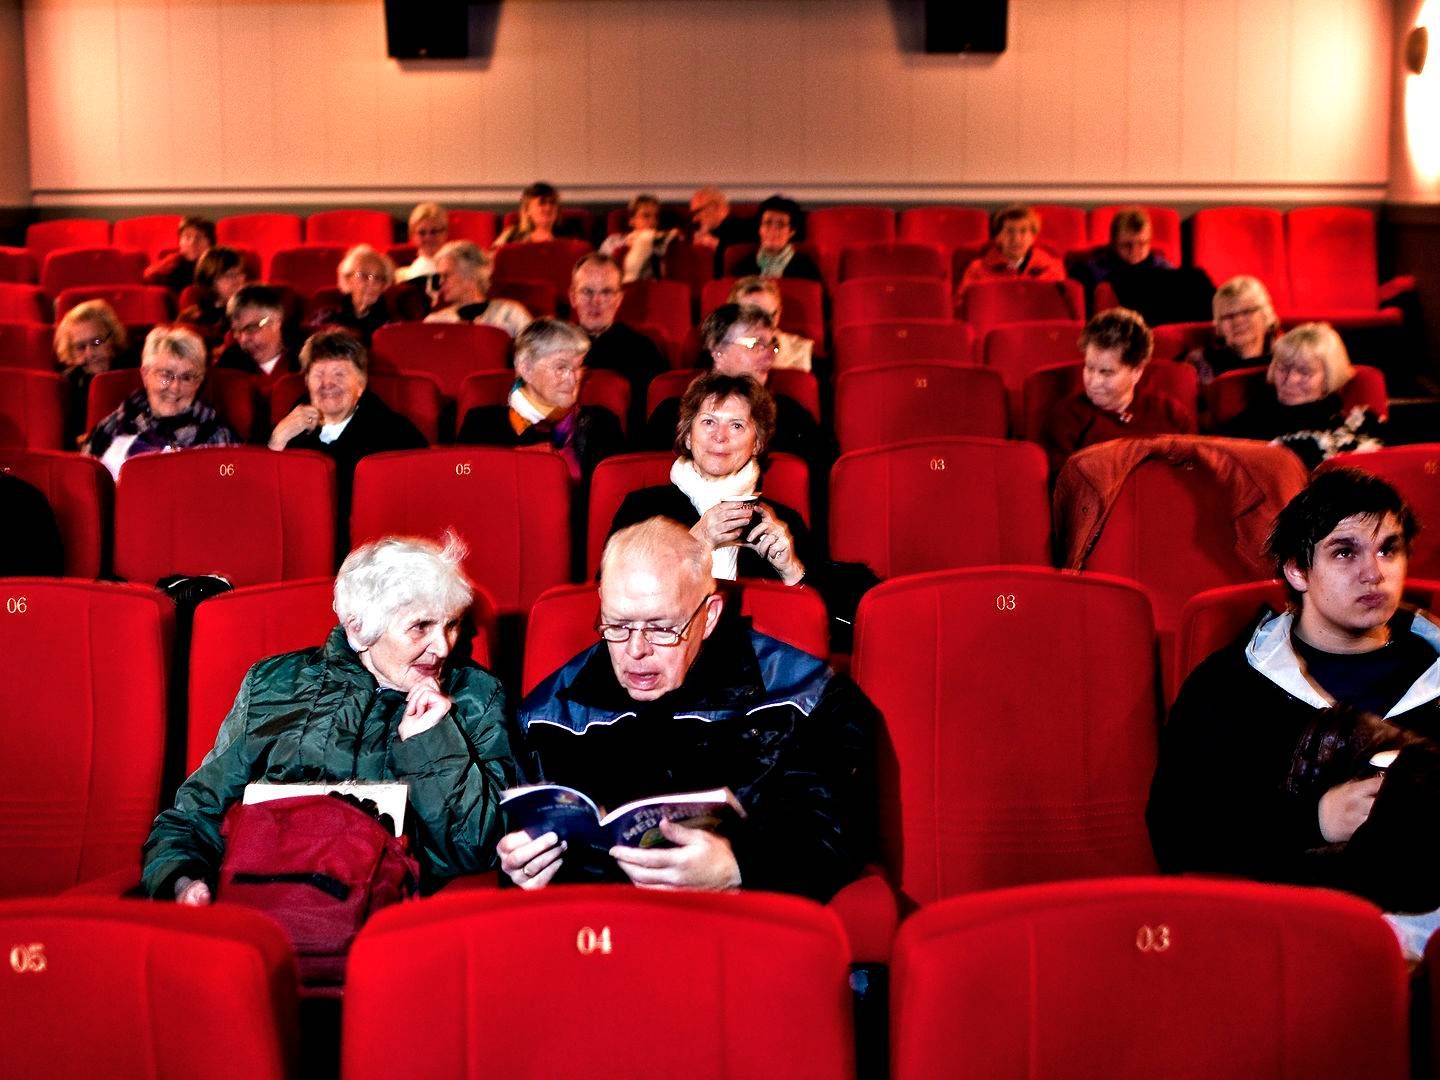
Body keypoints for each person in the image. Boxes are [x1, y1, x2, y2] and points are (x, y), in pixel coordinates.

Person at [496, 517, 876, 900]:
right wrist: (521, 868)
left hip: (739, 927)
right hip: (603, 929)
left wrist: (741, 865)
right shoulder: (546, 714)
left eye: (661, 628)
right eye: (617, 624)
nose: (636, 650)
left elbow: (841, 831)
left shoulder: (804, 695)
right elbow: (524, 839)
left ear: (708, 616)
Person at [142, 533, 516, 901]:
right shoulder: (273, 685)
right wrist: (182, 880)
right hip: (269, 907)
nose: (443, 647)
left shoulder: (476, 696)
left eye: (451, 625)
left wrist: (431, 744)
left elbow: (479, 848)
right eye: (421, 627)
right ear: (358, 630)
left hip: (390, 920)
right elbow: (196, 812)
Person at [1148, 470, 1440, 934]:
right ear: (1297, 570)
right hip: (1286, 934)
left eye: (1389, 548)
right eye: (1345, 552)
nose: (1375, 572)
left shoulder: (1435, 678)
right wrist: (1316, 818)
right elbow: (1180, 830)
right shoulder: (1230, 686)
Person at [611, 372, 814, 587]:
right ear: (688, 436)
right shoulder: (640, 510)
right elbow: (611, 594)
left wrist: (790, 569)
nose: (720, 436)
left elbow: (820, 616)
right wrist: (697, 540)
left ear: (757, 443)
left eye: (736, 425)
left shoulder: (783, 523)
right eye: (709, 422)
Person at [268, 328, 426, 528]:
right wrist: (278, 440)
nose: (328, 383)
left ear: (361, 383)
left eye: (339, 374)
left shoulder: (397, 434)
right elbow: (268, 502)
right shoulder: (289, 426)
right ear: (307, 381)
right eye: (319, 374)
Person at [646, 303, 827, 467]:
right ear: (717, 350)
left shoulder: (792, 416)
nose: (769, 355)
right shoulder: (671, 414)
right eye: (756, 344)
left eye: (772, 345)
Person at [455, 318, 623, 483]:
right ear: (526, 369)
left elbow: (620, 490)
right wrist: (517, 462)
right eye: (561, 367)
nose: (573, 379)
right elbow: (459, 474)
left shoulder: (601, 424)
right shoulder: (481, 424)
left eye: (578, 367)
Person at [1041, 307, 1196, 474]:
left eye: (1106, 373)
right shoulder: (1066, 418)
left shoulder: (1171, 415)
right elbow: (1064, 488)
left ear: (1136, 372)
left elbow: (1192, 477)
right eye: (1089, 368)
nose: (1093, 381)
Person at [83, 324, 239, 480]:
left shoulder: (217, 435)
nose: (175, 387)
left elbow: (229, 490)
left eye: (187, 377)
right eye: (166, 375)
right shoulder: (116, 423)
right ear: (145, 375)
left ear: (199, 383)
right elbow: (87, 482)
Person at [1223, 322, 1384, 469]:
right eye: (1283, 368)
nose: (1291, 380)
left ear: (1329, 376)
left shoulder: (1358, 426)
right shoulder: (1246, 425)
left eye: (1305, 372)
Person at [569, 254, 667, 429]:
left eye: (606, 292)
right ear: (572, 296)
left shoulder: (643, 351)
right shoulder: (552, 348)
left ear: (619, 299)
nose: (596, 302)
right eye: (587, 292)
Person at [53, 300, 126, 446]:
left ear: (112, 338)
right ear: (70, 351)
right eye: (80, 347)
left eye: (97, 342)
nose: (90, 353)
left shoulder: (135, 371)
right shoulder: (66, 386)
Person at [424, 240, 532, 338]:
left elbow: (535, 353)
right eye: (440, 276)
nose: (440, 282)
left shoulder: (511, 314)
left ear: (470, 276)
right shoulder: (435, 322)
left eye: (446, 275)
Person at [1186, 275, 1281, 385]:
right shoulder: (1202, 364)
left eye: (1246, 312)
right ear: (1219, 326)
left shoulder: (1287, 358)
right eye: (1228, 316)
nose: (1238, 321)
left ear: (1266, 315)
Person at [957, 203, 1066, 294]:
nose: (1016, 239)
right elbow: (961, 307)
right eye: (1010, 231)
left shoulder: (1052, 270)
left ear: (1033, 237)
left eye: (1023, 231)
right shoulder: (977, 270)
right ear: (997, 237)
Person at [306, 244, 399, 344]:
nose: (371, 283)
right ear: (347, 279)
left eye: (378, 278)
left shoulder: (392, 321)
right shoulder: (328, 315)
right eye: (363, 275)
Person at [215, 285, 298, 387]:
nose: (243, 339)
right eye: (236, 331)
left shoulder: (302, 361)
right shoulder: (230, 363)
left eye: (251, 329)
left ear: (276, 323)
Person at [727, 195, 821, 282]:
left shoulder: (806, 268)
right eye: (768, 223)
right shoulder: (743, 267)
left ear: (792, 232)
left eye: (781, 224)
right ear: (759, 229)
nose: (773, 230)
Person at [728, 276, 813, 372]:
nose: (762, 324)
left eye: (770, 316)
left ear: (779, 312)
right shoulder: (721, 352)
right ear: (734, 315)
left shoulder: (802, 354)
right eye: (752, 316)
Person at [599, 193, 680, 283]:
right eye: (646, 216)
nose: (653, 221)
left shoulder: (661, 242)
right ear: (631, 220)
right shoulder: (613, 241)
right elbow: (601, 270)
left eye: (656, 217)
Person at [178, 246, 249, 347]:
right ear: (210, 281)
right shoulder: (194, 317)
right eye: (229, 275)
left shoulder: (249, 312)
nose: (239, 281)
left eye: (240, 274)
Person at [688, 186, 752, 274]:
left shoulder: (745, 228)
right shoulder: (706, 232)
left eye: (697, 212)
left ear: (713, 207)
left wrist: (716, 245)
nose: (694, 219)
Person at [142, 215, 215, 293]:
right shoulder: (173, 264)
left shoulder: (217, 265)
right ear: (179, 242)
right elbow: (149, 277)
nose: (193, 242)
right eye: (187, 237)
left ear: (211, 243)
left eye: (199, 237)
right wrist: (173, 259)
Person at [493, 181, 562, 246]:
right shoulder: (511, 234)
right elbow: (491, 256)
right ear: (527, 210)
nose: (548, 207)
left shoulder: (566, 234)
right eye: (542, 202)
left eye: (552, 202)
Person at [396, 202, 449, 282]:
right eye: (422, 233)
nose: (428, 237)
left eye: (434, 231)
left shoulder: (457, 270)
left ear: (445, 233)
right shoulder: (402, 276)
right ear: (412, 235)